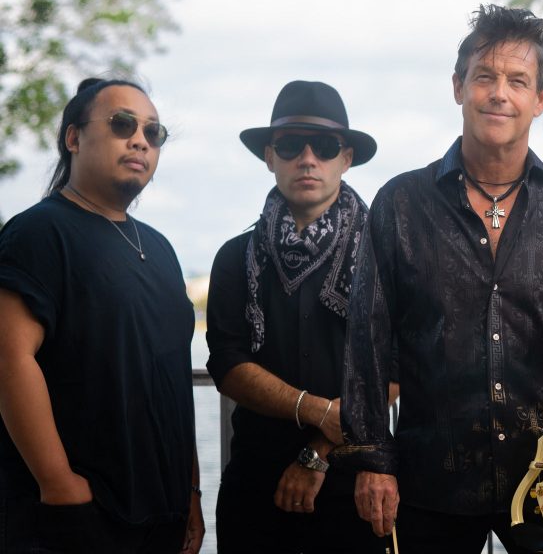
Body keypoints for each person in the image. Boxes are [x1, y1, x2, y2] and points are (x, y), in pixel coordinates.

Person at [342, 4, 543, 554]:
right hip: (432, 482)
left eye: (518, 81)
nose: (500, 94)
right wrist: (373, 461)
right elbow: (367, 345)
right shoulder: (398, 205)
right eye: (485, 77)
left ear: (540, 98)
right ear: (458, 87)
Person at [0, 78, 203, 553]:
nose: (140, 140)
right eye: (122, 124)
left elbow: (174, 379)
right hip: (74, 520)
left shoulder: (160, 248)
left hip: (161, 518)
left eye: (153, 132)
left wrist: (191, 492)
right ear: (73, 137)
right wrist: (59, 485)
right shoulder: (38, 233)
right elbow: (10, 359)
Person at [205, 80, 389, 553]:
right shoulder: (235, 257)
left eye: (325, 146)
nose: (308, 159)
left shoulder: (384, 256)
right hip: (255, 490)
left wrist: (318, 451)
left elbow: (399, 367)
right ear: (270, 157)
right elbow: (227, 363)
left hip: (357, 490)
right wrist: (320, 411)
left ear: (346, 158)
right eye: (290, 145)